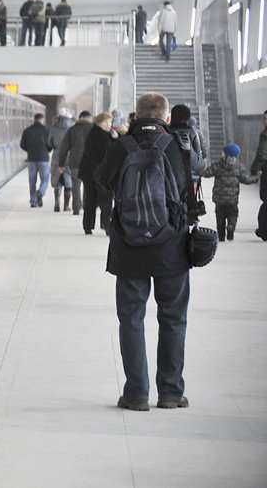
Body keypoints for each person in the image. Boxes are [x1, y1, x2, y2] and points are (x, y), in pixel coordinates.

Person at [96, 92, 193, 411]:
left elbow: (102, 181)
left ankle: (136, 393)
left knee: (131, 320)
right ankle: (170, 392)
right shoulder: (179, 144)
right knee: (173, 319)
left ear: (136, 116)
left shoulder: (121, 145)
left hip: (129, 247)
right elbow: (190, 183)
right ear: (167, 117)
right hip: (172, 248)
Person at [202, 144, 258, 242]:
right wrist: (256, 178)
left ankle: (221, 236)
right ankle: (231, 227)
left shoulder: (218, 166)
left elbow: (206, 173)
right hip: (232, 200)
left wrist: (200, 168)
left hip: (219, 200)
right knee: (233, 216)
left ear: (225, 155)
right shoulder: (239, 167)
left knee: (220, 219)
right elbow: (246, 180)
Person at [78, 112, 114, 234]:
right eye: (107, 122)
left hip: (90, 173)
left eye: (110, 122)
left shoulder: (95, 133)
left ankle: (88, 226)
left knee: (91, 199)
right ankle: (106, 225)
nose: (109, 125)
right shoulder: (101, 135)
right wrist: (115, 138)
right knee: (105, 199)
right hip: (98, 173)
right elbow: (107, 153)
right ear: (100, 122)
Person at [57, 110, 93, 216]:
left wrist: (61, 164)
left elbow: (63, 148)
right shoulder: (94, 129)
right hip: (90, 163)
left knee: (76, 186)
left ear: (80, 118)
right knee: (88, 186)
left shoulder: (72, 130)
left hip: (75, 162)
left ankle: (76, 209)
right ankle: (87, 207)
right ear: (89, 118)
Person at [20, 112, 52, 208]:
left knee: (32, 181)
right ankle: (40, 193)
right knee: (45, 179)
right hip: (43, 158)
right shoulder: (47, 130)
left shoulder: (27, 130)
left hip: (31, 159)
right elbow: (50, 144)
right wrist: (47, 150)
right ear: (42, 120)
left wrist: (29, 150)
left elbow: (22, 145)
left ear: (34, 119)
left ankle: (33, 201)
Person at [48, 112, 74, 212]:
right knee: (68, 181)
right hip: (69, 156)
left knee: (57, 179)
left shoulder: (53, 128)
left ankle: (56, 204)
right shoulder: (72, 129)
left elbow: (49, 143)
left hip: (57, 156)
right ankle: (66, 206)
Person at [251, 109, 267, 241]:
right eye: (264, 119)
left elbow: (262, 153)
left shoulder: (265, 134)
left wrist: (255, 169)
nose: (265, 121)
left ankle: (263, 230)